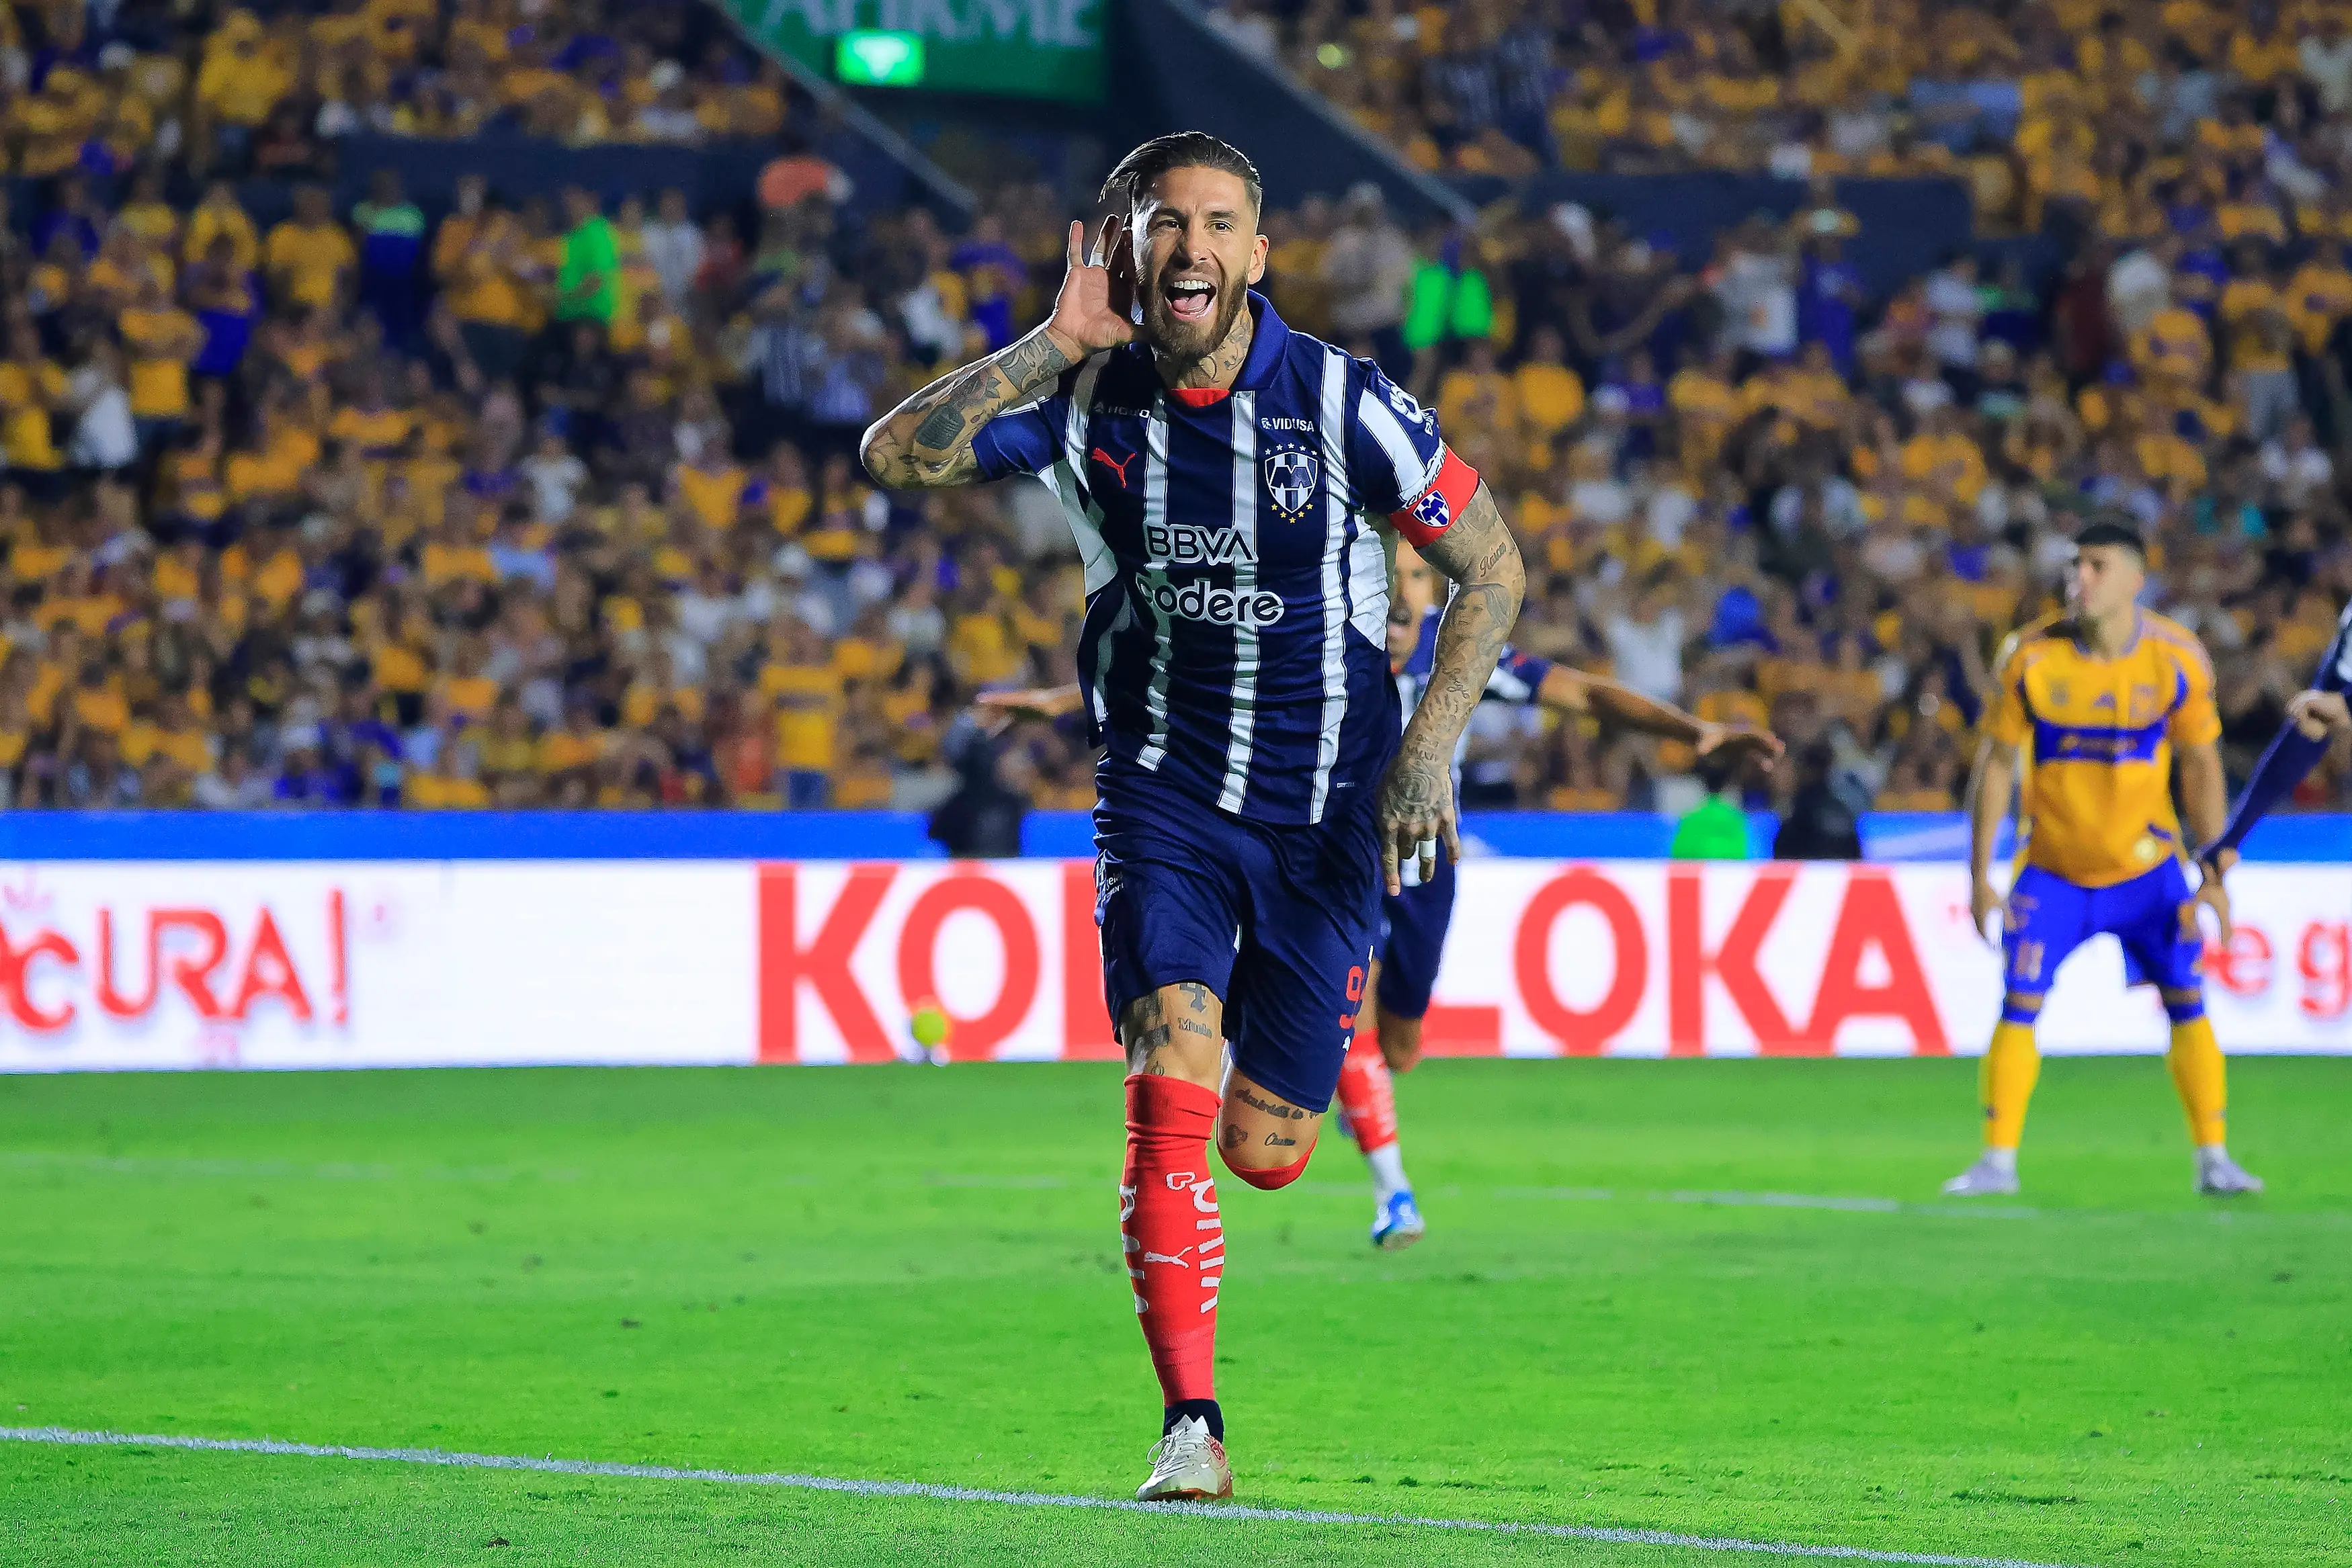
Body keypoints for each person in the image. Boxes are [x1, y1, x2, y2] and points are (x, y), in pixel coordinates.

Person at [860, 132, 1525, 1503]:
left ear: (1257, 254)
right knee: (1166, 1066)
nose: (1193, 247)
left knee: (1268, 1152)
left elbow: (1493, 567)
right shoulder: (1083, 398)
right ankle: (1192, 1428)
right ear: (1126, 247)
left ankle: (1273, 1147)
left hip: (1325, 815)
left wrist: (1428, 748)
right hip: (1159, 794)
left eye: (1220, 222)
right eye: (1166, 223)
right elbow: (893, 459)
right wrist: (1046, 344)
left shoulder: (1344, 403)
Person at [1339, 547, 1779, 1246]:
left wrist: (1691, 730)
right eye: (1384, 575)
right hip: (1339, 853)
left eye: (1416, 577)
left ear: (1432, 590)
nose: (1399, 594)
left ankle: (1359, 1094)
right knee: (1347, 1020)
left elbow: (1580, 693)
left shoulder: (1456, 653)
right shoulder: (1324, 645)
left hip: (1428, 858)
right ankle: (1394, 1195)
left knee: (1398, 1046)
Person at [1945, 519, 2260, 1200]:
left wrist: (2212, 874)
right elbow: (1994, 767)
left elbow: (2201, 766)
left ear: (2132, 579)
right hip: (2051, 872)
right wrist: (1978, 876)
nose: (2077, 579)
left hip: (2147, 874)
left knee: (2186, 1001)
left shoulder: (2174, 658)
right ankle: (1995, 1162)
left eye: (2094, 566)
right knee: (2017, 1005)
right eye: (2072, 566)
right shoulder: (2028, 657)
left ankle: (2213, 1157)